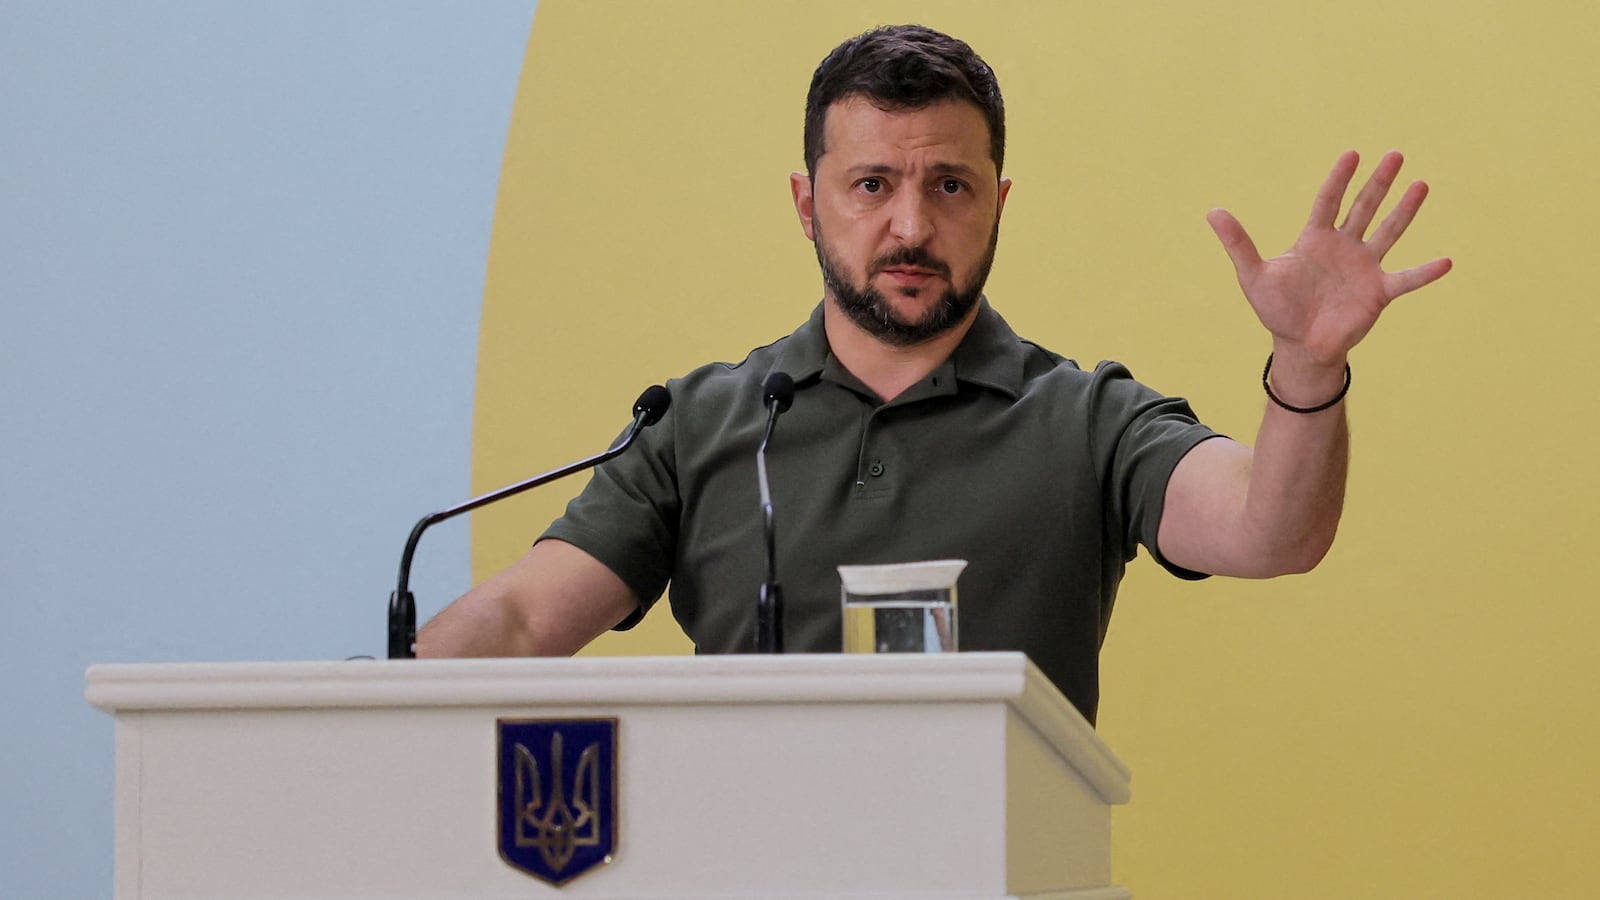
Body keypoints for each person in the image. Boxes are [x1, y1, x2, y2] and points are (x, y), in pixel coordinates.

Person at [418, 25, 1450, 724]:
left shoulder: (1086, 419)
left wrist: (1304, 365)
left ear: (996, 202)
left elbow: (1272, 531)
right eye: (871, 183)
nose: (910, 225)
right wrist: (362, 702)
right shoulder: (700, 424)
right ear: (806, 201)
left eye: (948, 185)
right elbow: (517, 620)